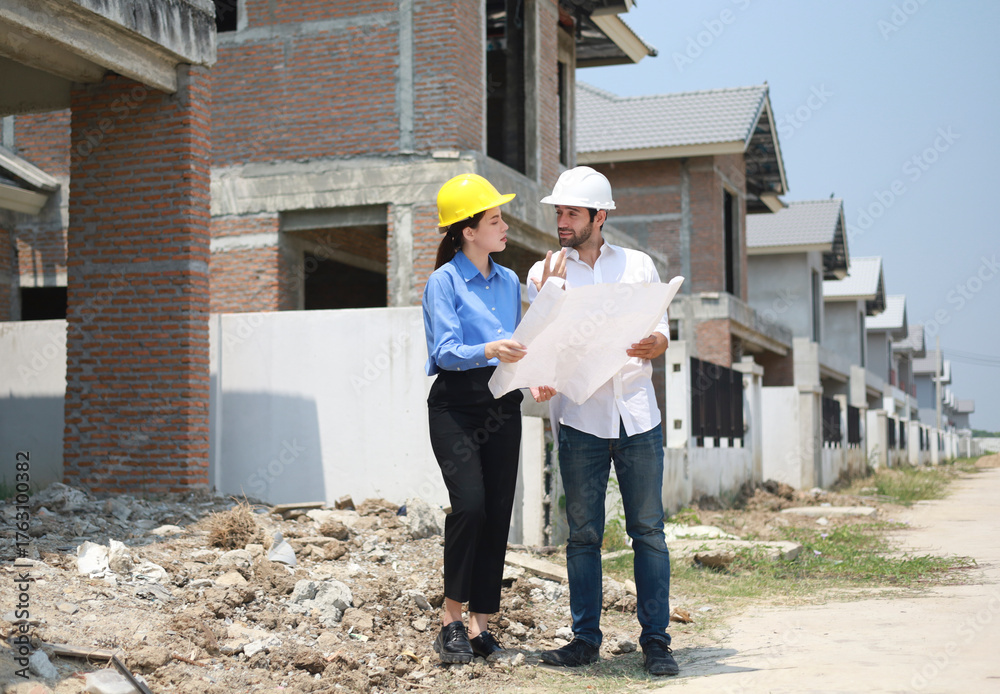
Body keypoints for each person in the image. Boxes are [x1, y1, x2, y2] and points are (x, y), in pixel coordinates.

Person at [526, 166, 679, 676]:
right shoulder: (543, 271)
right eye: (559, 213)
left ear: (600, 216)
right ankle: (584, 641)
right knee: (583, 536)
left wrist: (655, 343)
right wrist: (550, 290)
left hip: (637, 415)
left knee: (648, 532)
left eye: (572, 213)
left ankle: (656, 642)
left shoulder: (638, 265)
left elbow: (662, 329)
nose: (562, 222)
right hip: (580, 419)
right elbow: (536, 343)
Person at [423, 173, 556, 664]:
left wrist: (534, 375)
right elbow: (444, 351)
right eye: (496, 220)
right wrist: (490, 349)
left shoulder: (508, 281)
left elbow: (521, 345)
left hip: (502, 405)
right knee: (471, 506)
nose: (505, 227)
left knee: (499, 511)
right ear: (468, 231)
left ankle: (480, 626)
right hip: (455, 406)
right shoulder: (443, 282)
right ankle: (451, 621)